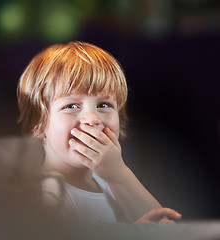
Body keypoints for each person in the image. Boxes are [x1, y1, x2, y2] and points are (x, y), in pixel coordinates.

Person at [17, 41, 182, 223]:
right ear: (38, 123)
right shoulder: (46, 195)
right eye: (71, 106)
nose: (92, 118)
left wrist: (119, 175)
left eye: (103, 105)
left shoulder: (108, 183)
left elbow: (165, 228)